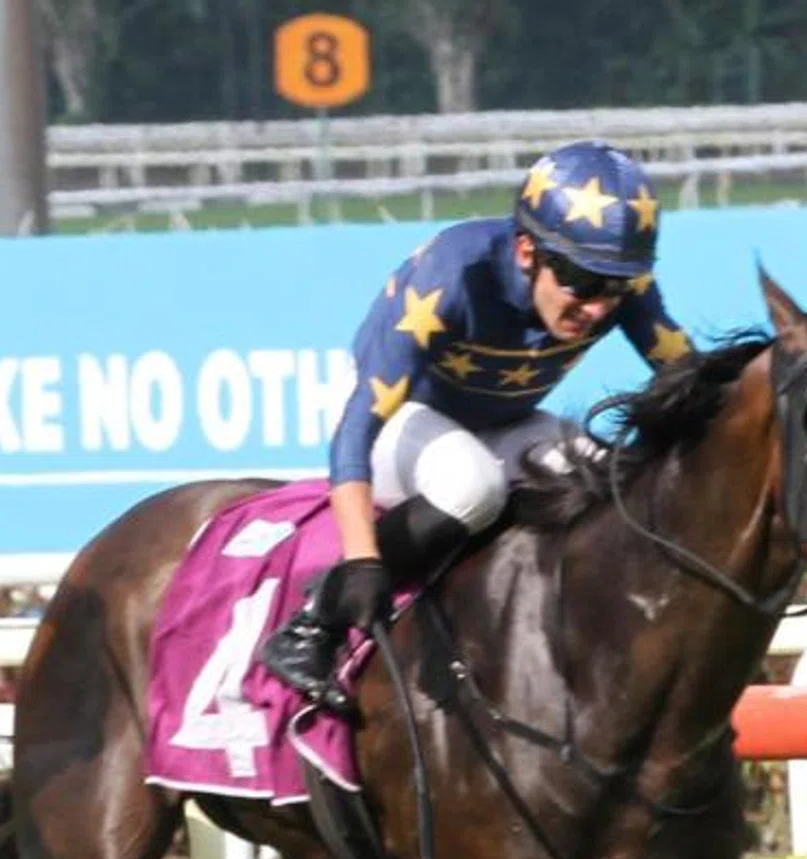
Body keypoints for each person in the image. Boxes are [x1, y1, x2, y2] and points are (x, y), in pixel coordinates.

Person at [259, 139, 696, 714]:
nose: (597, 308)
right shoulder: (453, 275)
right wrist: (363, 560)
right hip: (396, 419)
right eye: (581, 282)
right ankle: (312, 623)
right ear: (526, 251)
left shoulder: (615, 287)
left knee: (608, 479)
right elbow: (356, 430)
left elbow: (694, 382)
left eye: (615, 287)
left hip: (500, 421)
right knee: (472, 484)